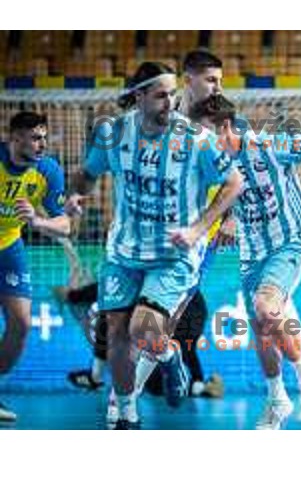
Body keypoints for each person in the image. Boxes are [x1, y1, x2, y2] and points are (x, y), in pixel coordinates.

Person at [66, 61, 242, 429]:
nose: (170, 101)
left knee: (142, 330)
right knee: (114, 332)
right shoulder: (112, 133)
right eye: (161, 95)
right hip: (123, 252)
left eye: (173, 94)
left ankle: (170, 357)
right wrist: (75, 195)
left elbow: (234, 183)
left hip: (173, 255)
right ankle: (127, 414)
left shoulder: (196, 139)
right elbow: (88, 174)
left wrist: (198, 228)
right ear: (138, 97)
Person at [193, 93, 301, 430]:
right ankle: (277, 399)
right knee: (262, 331)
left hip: (290, 242)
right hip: (252, 250)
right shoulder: (215, 161)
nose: (200, 143)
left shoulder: (271, 144)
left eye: (204, 134)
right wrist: (227, 217)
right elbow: (230, 191)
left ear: (225, 127)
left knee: (264, 304)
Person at [52, 239, 223, 398]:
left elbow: (110, 288)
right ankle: (198, 385)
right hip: (193, 311)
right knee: (181, 350)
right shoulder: (171, 259)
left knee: (112, 314)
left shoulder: (140, 263)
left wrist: (73, 295)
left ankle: (95, 376)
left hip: (177, 314)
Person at [0, 111, 70, 422]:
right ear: (14, 139)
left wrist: (38, 220)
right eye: (35, 138)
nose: (42, 145)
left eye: (44, 137)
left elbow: (65, 224)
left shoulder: (49, 171)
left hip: (7, 245)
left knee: (21, 324)